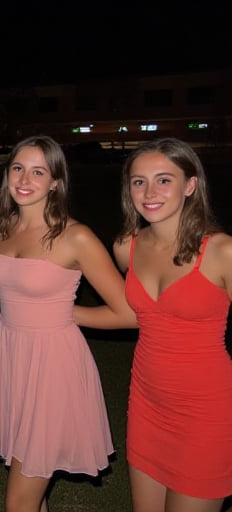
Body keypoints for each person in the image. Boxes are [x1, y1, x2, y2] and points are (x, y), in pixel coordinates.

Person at [75, 138, 232, 511]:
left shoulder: (221, 251)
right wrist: (64, 313)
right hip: (147, 403)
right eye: (138, 181)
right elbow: (137, 315)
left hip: (207, 412)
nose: (149, 192)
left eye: (164, 180)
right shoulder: (125, 246)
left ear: (190, 185)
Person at [0, 134, 136, 512]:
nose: (24, 179)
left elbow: (128, 312)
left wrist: (68, 314)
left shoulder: (76, 236)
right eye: (17, 168)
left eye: (38, 171)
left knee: (19, 500)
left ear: (55, 181)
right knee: (32, 485)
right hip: (13, 359)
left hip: (52, 366)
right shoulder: (3, 230)